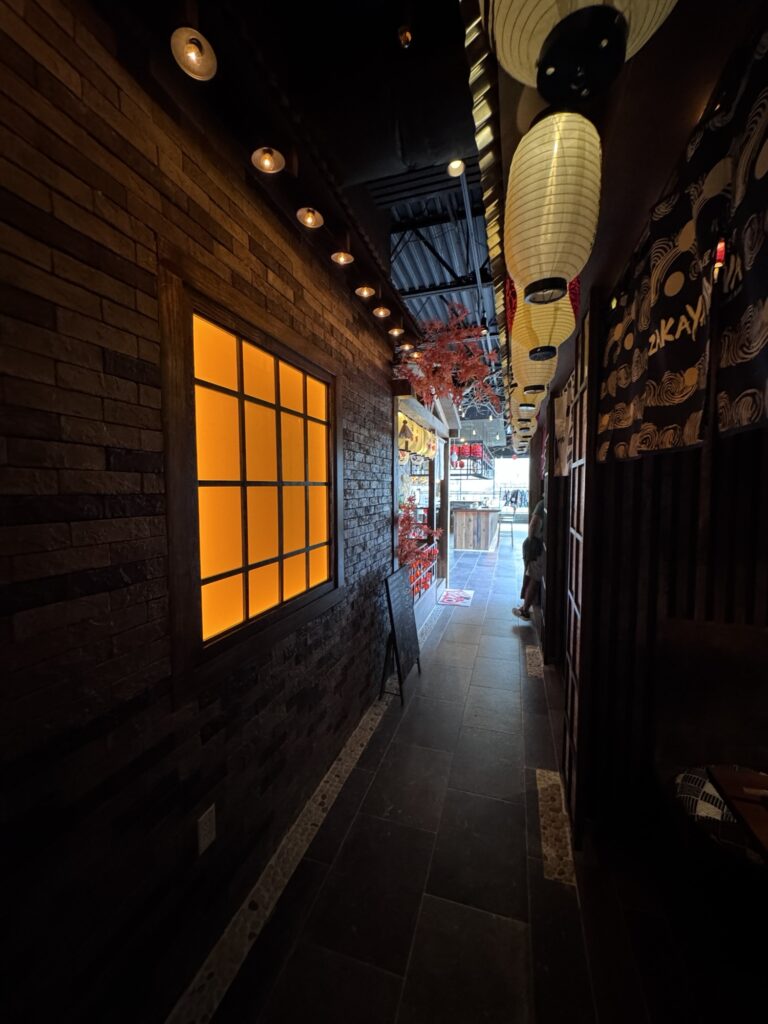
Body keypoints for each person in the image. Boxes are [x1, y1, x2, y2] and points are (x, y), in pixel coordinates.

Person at [514, 496, 545, 620]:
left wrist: (532, 541)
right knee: (533, 575)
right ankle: (528, 604)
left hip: (537, 547)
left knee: (533, 576)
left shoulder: (542, 503)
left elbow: (533, 525)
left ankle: (525, 609)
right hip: (541, 546)